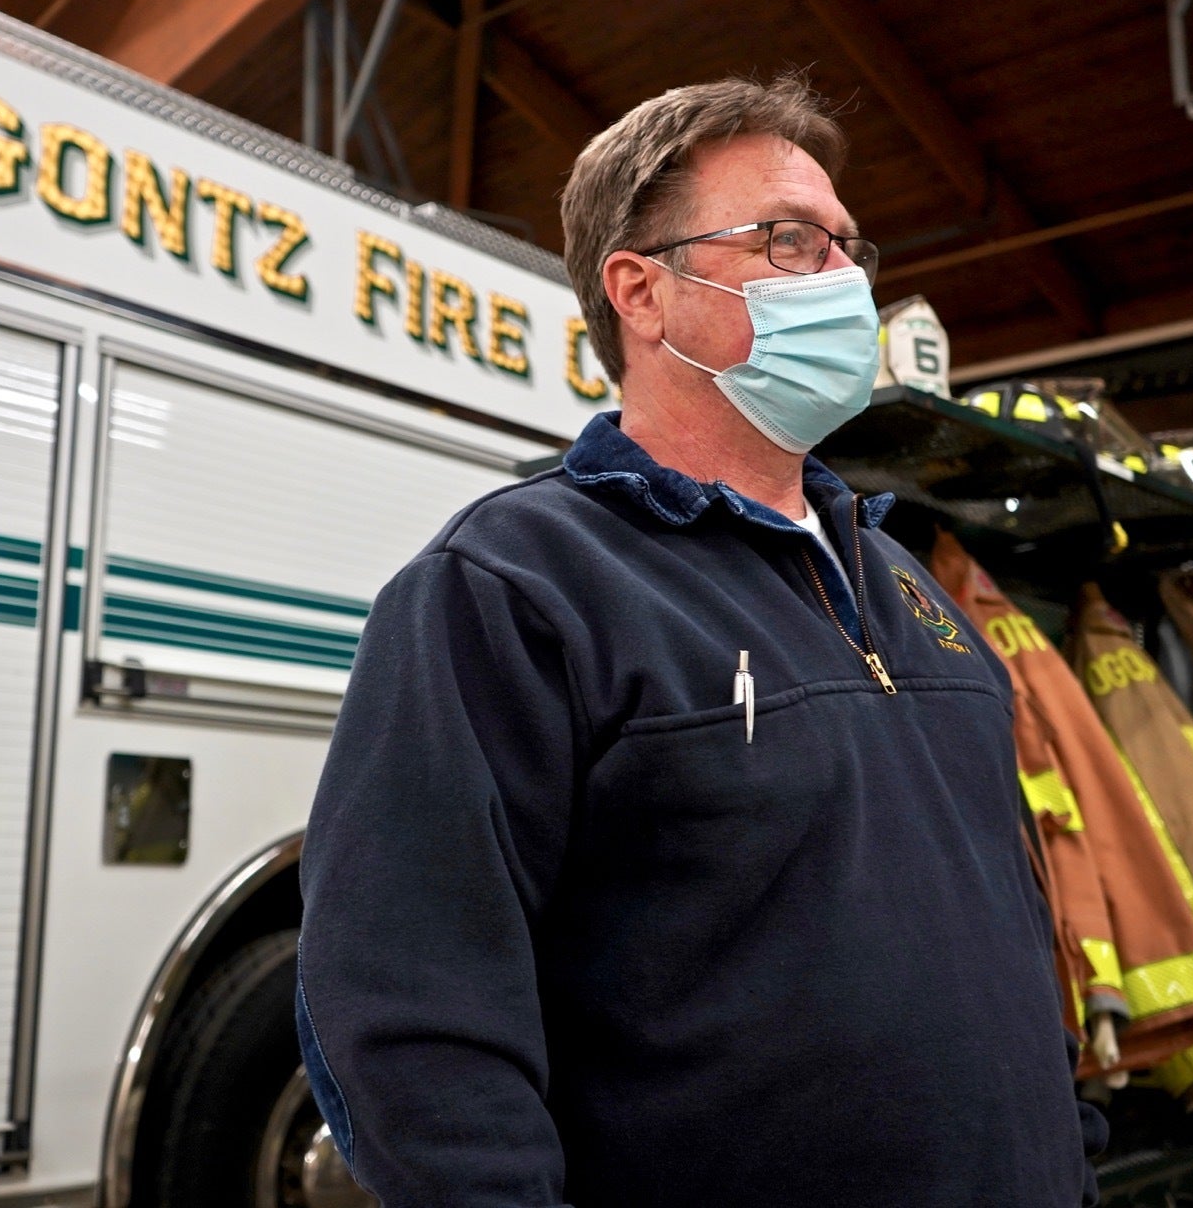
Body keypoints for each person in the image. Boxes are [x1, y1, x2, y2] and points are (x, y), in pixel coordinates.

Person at [297, 73, 1104, 1206]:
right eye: (788, 239)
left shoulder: (916, 590)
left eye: (847, 248)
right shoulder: (513, 588)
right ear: (642, 290)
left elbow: (1006, 931)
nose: (841, 280)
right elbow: (407, 1015)